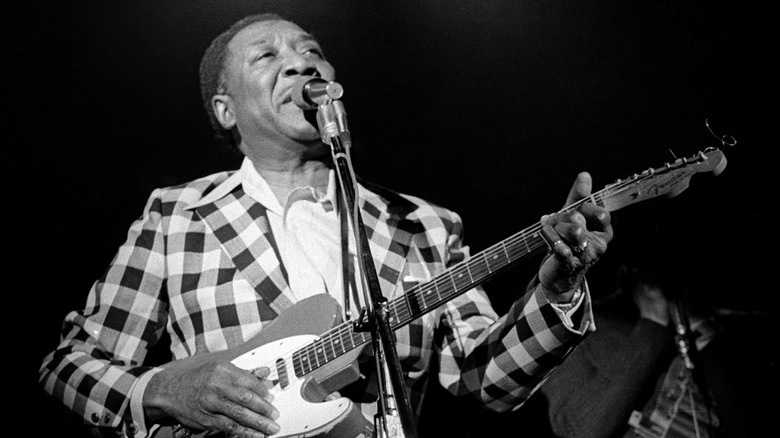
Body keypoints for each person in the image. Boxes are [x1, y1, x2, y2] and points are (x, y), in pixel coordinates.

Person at [38, 13, 613, 438]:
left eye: (311, 50)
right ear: (224, 108)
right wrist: (161, 390)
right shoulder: (178, 215)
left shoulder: (422, 225)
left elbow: (484, 382)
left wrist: (556, 292)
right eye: (266, 56)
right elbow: (68, 365)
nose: (299, 61)